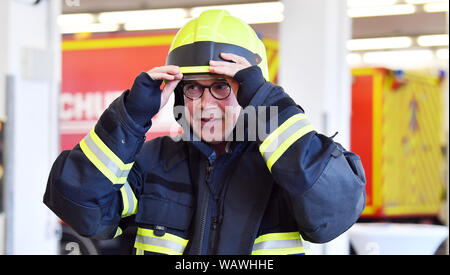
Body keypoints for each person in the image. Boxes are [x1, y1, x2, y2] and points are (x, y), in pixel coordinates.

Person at [44, 9, 366, 255]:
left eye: (222, 87)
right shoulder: (151, 161)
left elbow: (333, 212)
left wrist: (268, 104)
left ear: (250, 93)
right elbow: (82, 208)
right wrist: (129, 116)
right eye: (194, 88)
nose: (205, 104)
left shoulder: (286, 166)